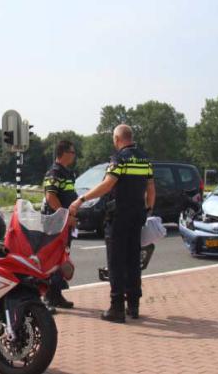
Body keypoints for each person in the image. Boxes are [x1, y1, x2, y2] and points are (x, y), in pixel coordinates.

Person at [71, 125, 154, 323]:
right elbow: (151, 189)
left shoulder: (119, 159)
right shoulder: (145, 159)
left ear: (117, 139)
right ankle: (133, 305)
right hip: (137, 216)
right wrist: (148, 210)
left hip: (119, 217)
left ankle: (116, 308)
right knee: (133, 260)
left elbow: (107, 184)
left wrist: (81, 199)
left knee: (116, 262)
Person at [42, 140, 79, 310]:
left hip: (64, 224)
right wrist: (65, 217)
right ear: (63, 153)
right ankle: (49, 296)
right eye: (72, 152)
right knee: (52, 259)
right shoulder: (54, 172)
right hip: (55, 223)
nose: (74, 155)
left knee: (62, 258)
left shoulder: (66, 172)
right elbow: (51, 197)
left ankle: (57, 295)